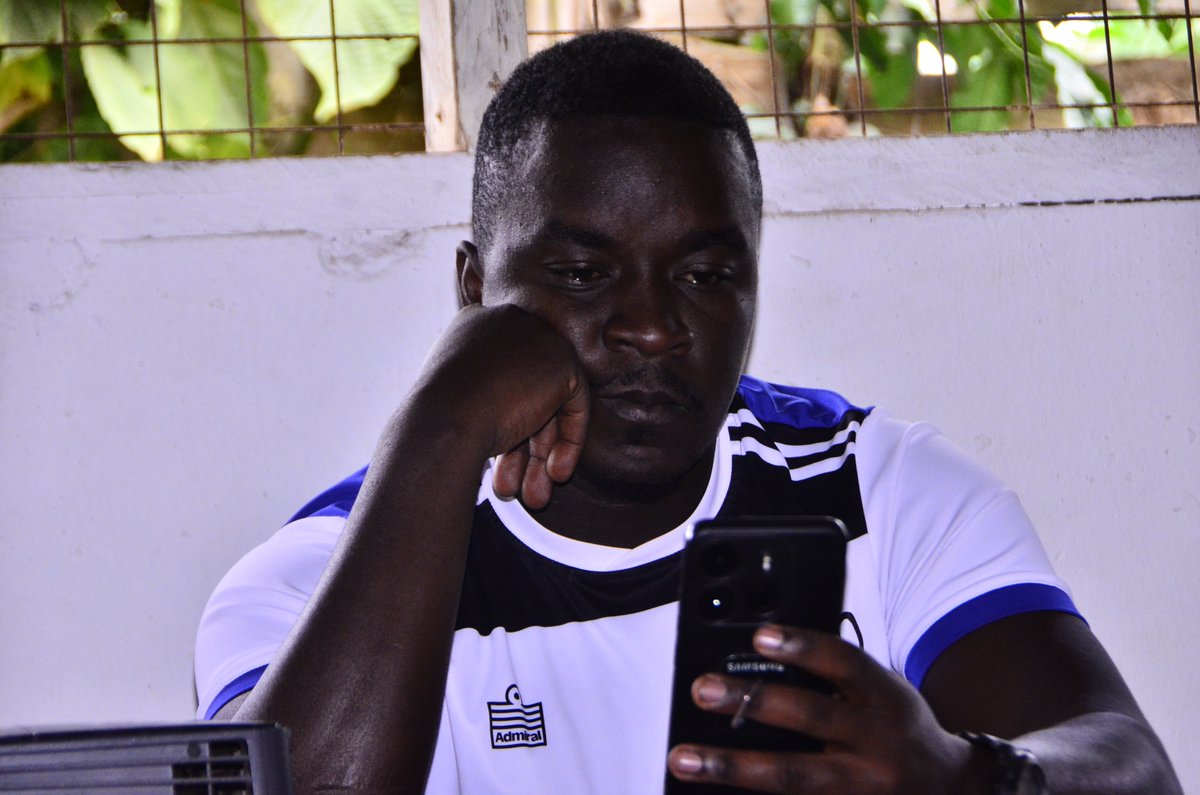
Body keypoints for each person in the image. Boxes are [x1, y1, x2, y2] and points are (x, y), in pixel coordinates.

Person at [194, 30, 1181, 795]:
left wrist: (965, 778)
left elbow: (1131, 763)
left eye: (704, 275)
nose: (653, 327)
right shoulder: (316, 579)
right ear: (475, 290)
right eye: (584, 273)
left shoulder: (876, 491)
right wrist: (438, 429)